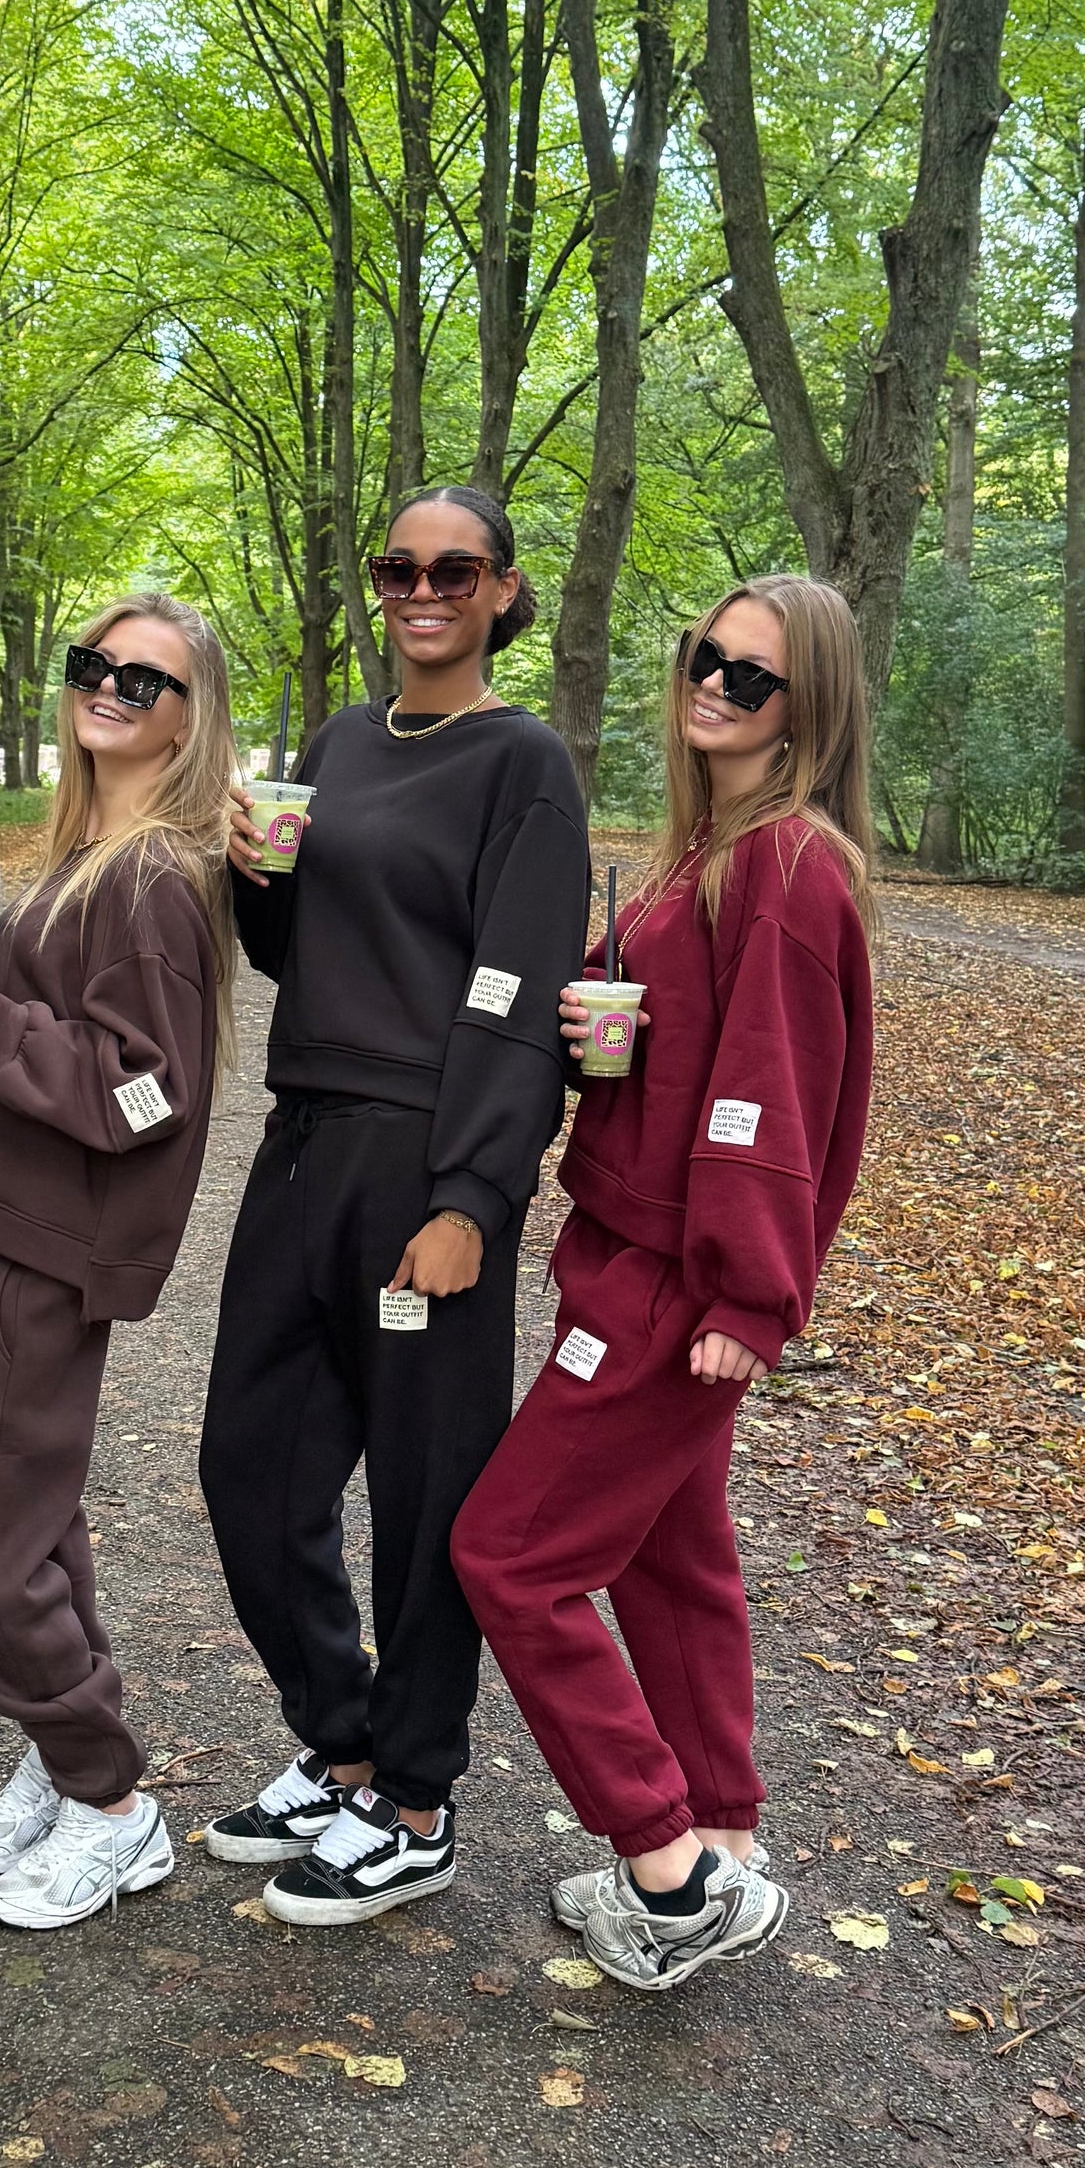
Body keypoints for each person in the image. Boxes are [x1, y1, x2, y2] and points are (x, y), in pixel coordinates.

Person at [451, 575, 875, 1992]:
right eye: (706, 658)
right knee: (670, 1558)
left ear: (806, 707)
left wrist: (749, 1301)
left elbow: (773, 1098)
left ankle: (665, 1868)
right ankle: (721, 1841)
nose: (715, 686)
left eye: (751, 677)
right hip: (637, 1261)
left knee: (509, 1556)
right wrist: (598, 1026)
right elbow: (680, 1046)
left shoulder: (787, 868)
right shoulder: (708, 850)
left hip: (672, 1284)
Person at [197, 487, 590, 1923]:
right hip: (303, 1144)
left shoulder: (522, 762)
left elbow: (522, 988)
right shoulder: (341, 742)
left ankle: (416, 1799)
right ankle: (342, 1740)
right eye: (398, 569)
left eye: (454, 571)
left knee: (426, 1494)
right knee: (250, 1465)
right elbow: (289, 949)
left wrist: (474, 1194)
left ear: (502, 591)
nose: (422, 591)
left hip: (426, 1161)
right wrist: (254, 877)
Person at [0, 594, 238, 1931]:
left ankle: (110, 1804)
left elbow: (147, 1094)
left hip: (33, 1252)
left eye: (145, 679)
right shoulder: (80, 850)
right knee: (27, 1523)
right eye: (93, 665)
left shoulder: (149, 879)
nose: (109, 688)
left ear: (191, 716)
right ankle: (65, 1763)